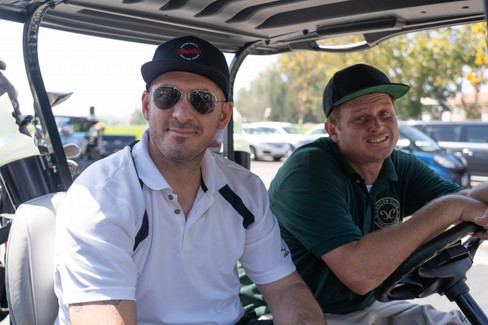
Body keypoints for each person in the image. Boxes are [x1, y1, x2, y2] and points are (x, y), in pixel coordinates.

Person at [53, 36, 325, 325]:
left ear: (223, 116)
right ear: (147, 106)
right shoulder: (100, 197)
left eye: (202, 100)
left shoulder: (246, 190)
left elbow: (285, 288)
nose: (182, 115)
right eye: (167, 96)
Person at [263, 64, 488, 324]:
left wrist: (466, 206)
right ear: (333, 131)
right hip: (295, 313)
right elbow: (360, 274)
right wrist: (450, 208)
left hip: (368, 307)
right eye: (360, 118)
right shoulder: (309, 171)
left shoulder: (398, 163)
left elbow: (469, 197)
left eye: (385, 113)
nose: (377, 125)